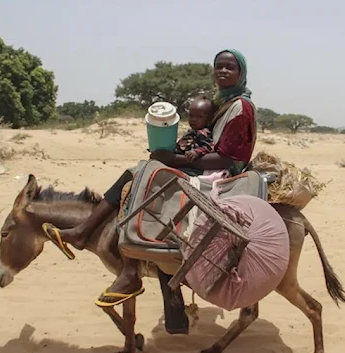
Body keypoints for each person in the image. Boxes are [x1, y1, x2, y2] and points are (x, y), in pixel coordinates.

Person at [42, 49, 257, 307]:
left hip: (222, 174)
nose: (222, 71)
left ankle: (112, 256)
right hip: (204, 164)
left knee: (142, 177)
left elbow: (225, 158)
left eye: (229, 67)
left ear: (240, 73)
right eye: (218, 66)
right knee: (141, 171)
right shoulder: (223, 102)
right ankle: (94, 240)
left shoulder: (240, 107)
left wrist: (174, 160)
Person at [173, 95, 216, 175]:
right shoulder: (192, 132)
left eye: (199, 117)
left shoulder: (204, 133)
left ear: (208, 119)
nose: (194, 119)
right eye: (191, 115)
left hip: (190, 167)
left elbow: (210, 146)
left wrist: (197, 152)